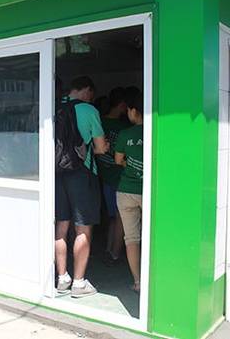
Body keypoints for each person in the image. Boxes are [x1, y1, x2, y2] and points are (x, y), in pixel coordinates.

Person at [55, 76, 109, 298]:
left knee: (61, 226)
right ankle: (79, 283)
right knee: (83, 228)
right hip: (82, 174)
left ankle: (62, 278)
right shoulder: (89, 110)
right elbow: (99, 148)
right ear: (87, 90)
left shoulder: (55, 106)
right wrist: (104, 145)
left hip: (57, 173)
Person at [96, 87, 130, 265]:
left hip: (103, 176)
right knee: (120, 217)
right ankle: (115, 254)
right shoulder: (124, 128)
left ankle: (109, 250)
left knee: (112, 217)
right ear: (123, 105)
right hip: (120, 178)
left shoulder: (99, 122)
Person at [114, 90, 144, 293]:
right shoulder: (155, 131)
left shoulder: (126, 134)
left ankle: (138, 282)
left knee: (131, 238)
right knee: (153, 235)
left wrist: (129, 165)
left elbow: (118, 160)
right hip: (148, 191)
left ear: (134, 111)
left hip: (126, 191)